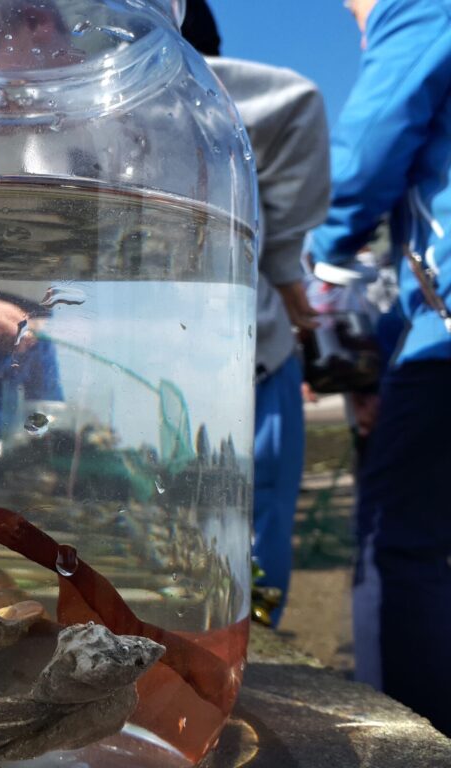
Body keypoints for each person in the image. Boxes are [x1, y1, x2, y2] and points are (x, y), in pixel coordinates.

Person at [308, 0, 451, 736]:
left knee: (396, 541)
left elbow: (369, 151)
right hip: (425, 329)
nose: (360, 26)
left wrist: (320, 262)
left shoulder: (421, 5)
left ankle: (410, 734)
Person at [183, 0, 331, 626]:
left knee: (236, 537)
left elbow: (295, 102)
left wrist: (282, 263)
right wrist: (285, 268)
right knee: (241, 538)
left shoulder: (180, 79)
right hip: (245, 359)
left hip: (246, 362)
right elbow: (299, 104)